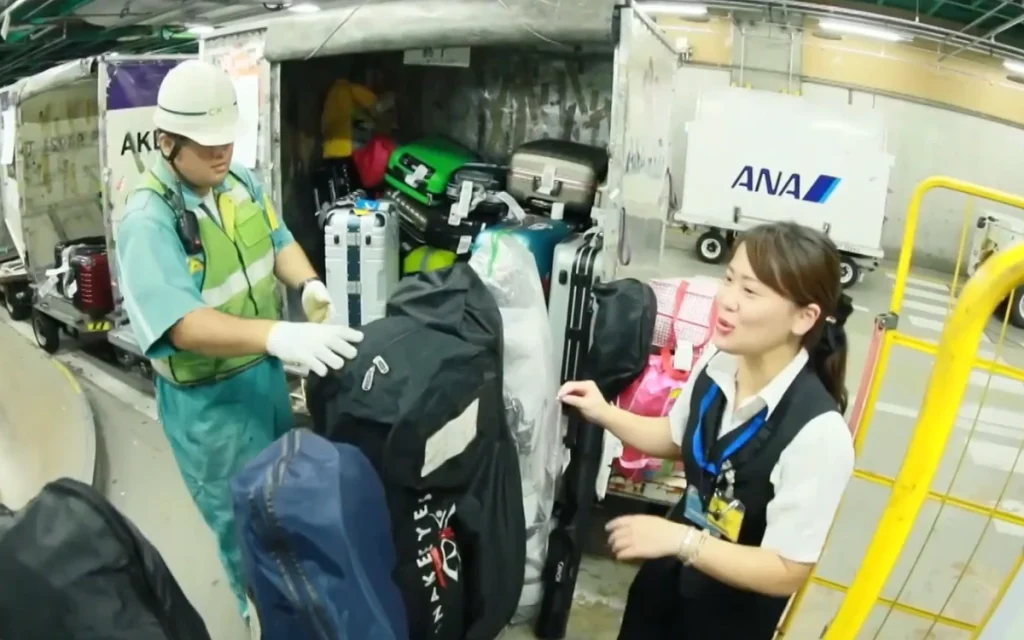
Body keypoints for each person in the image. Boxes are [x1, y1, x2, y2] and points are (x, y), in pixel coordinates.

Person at [115, 60, 363, 617]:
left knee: (286, 509)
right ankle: (263, 622)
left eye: (226, 140)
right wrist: (277, 334)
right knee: (246, 532)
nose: (220, 154)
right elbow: (181, 323)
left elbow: (278, 238)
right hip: (210, 409)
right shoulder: (148, 221)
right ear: (167, 142)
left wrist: (309, 283)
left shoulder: (240, 181)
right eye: (206, 146)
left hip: (264, 380)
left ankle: (300, 611)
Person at [559, 221, 856, 639]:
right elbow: (677, 437)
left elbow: (787, 569)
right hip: (667, 580)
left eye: (750, 291)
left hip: (730, 616)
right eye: (729, 279)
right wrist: (603, 411)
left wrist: (683, 541)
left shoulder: (820, 435)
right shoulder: (718, 363)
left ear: (804, 317)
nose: (726, 300)